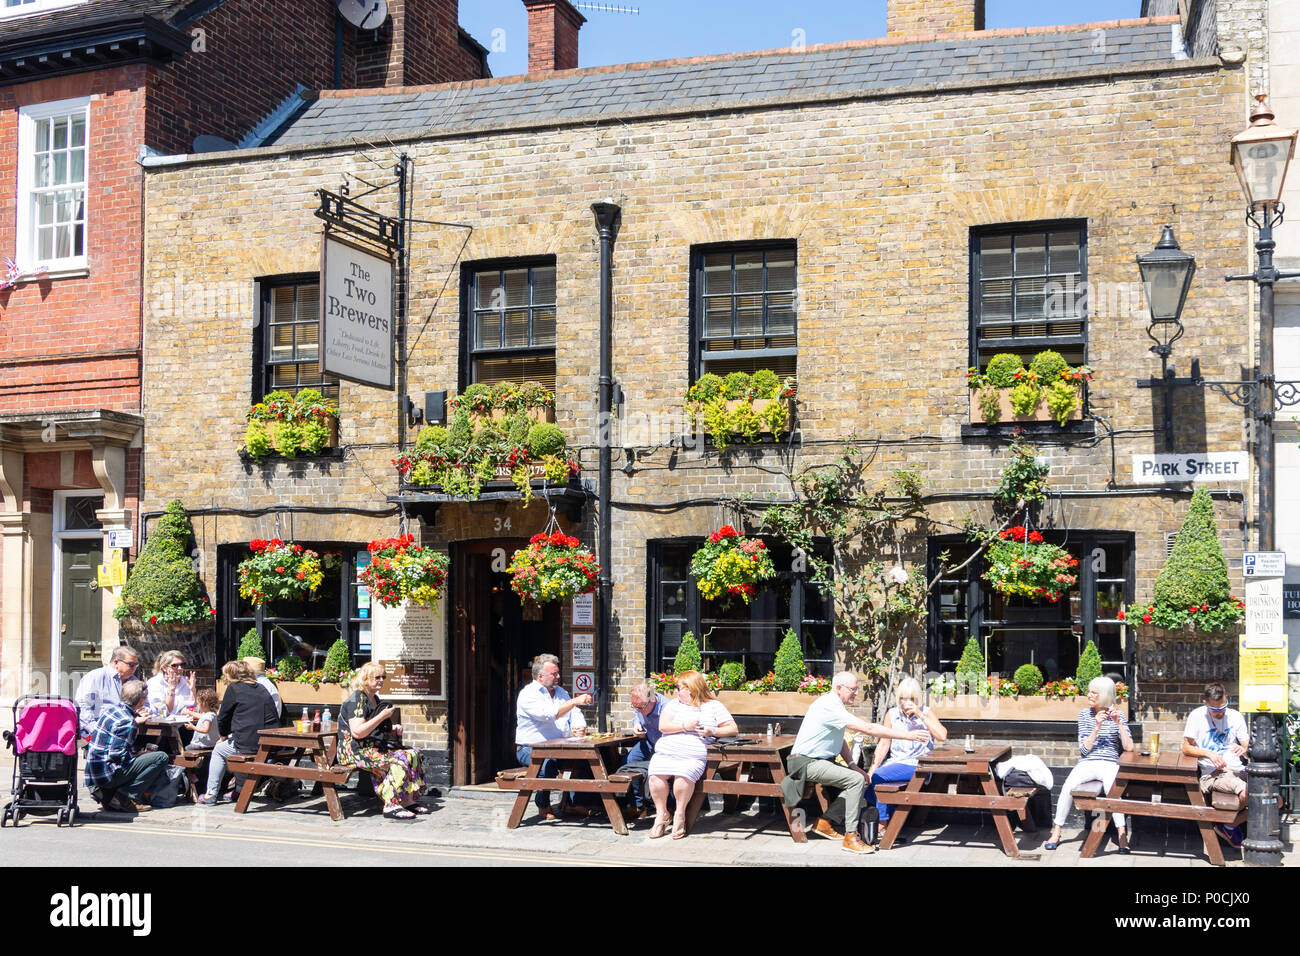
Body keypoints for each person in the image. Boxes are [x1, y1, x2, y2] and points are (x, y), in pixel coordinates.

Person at [783, 671, 931, 854]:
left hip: (819, 761)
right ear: (839, 688)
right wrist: (907, 735)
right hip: (805, 763)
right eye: (853, 689)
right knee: (855, 780)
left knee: (862, 780)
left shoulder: (834, 706)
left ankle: (825, 823)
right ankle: (850, 837)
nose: (856, 693)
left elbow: (840, 740)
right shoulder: (829, 706)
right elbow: (869, 728)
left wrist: (854, 765)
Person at [1044, 676, 1134, 851]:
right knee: (1067, 787)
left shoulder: (1119, 714)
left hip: (1109, 763)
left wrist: (1119, 725)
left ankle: (1122, 835)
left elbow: (1129, 747)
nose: (1089, 695)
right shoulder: (1085, 715)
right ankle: (1057, 831)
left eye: (1094, 692)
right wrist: (1097, 727)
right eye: (1089, 691)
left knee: (1113, 791)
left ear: (1105, 696)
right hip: (1088, 762)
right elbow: (1084, 751)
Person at [646, 670, 737, 840]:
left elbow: (733, 728)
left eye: (679, 688)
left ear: (691, 689)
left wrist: (713, 730)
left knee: (682, 777)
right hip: (666, 751)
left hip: (692, 755)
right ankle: (662, 814)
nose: (676, 691)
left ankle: (680, 814)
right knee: (655, 777)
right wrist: (684, 726)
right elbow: (663, 726)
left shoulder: (713, 706)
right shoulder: (674, 705)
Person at [338, 662, 430, 820]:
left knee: (413, 753)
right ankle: (391, 804)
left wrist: (392, 727)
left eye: (383, 677)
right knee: (399, 760)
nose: (381, 680)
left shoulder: (373, 698)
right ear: (366, 678)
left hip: (372, 747)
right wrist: (382, 716)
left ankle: (406, 800)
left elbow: (373, 728)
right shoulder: (356, 700)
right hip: (355, 751)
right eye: (377, 677)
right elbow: (358, 732)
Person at [515, 653, 593, 821]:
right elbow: (549, 715)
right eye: (554, 674)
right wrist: (574, 701)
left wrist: (579, 726)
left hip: (561, 747)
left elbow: (575, 712)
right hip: (530, 748)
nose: (558, 676)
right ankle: (543, 805)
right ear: (540, 676)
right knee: (546, 765)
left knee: (585, 760)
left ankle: (572, 803)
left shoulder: (561, 692)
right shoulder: (528, 694)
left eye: (558, 673)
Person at [866, 676, 949, 831]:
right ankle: (888, 821)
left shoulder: (925, 712)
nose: (906, 703)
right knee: (873, 782)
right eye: (903, 698)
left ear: (917, 698)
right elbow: (884, 743)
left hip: (918, 765)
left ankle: (882, 824)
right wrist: (872, 768)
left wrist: (919, 713)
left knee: (879, 778)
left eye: (911, 699)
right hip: (894, 763)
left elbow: (942, 736)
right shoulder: (892, 714)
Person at [84, 678, 172, 812]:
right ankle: (125, 797)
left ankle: (111, 796)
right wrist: (138, 754)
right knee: (161, 757)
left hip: (94, 772)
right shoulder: (128, 722)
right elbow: (117, 756)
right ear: (141, 701)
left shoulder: (111, 710)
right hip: (107, 774)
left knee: (143, 756)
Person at [198, 660, 278, 805]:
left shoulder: (234, 688)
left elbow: (223, 717)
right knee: (237, 748)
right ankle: (240, 790)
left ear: (230, 675)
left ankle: (211, 794)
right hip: (268, 743)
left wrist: (222, 735)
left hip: (249, 743)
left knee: (220, 750)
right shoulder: (261, 688)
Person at [1182, 680, 1250, 848]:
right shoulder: (1197, 716)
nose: (1220, 712)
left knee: (1275, 800)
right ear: (1205, 704)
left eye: (1223, 706)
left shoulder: (1235, 716)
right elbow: (1186, 747)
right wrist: (1208, 753)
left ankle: (1228, 825)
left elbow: (1246, 744)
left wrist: (1244, 749)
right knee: (1248, 793)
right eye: (1215, 709)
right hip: (1213, 774)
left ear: (1226, 698)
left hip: (1238, 768)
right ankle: (1229, 826)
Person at [617, 681, 671, 816]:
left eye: (641, 706)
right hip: (649, 742)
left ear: (652, 699)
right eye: (635, 706)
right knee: (628, 762)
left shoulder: (667, 707)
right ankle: (637, 805)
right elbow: (637, 715)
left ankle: (669, 806)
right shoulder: (640, 706)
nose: (639, 710)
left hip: (666, 746)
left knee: (666, 768)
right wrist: (636, 724)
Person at [74, 645, 142, 738]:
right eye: (131, 664)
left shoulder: (133, 681)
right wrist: (96, 730)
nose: (134, 668)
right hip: (99, 732)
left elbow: (142, 704)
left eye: (136, 665)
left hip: (127, 730)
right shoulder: (95, 677)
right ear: (116, 662)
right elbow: (83, 705)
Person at [145, 649, 196, 716]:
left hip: (183, 724)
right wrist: (171, 689)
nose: (180, 668)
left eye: (182, 665)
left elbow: (194, 709)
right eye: (175, 665)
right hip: (160, 724)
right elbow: (163, 712)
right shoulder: (154, 684)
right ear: (164, 668)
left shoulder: (185, 682)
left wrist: (193, 691)